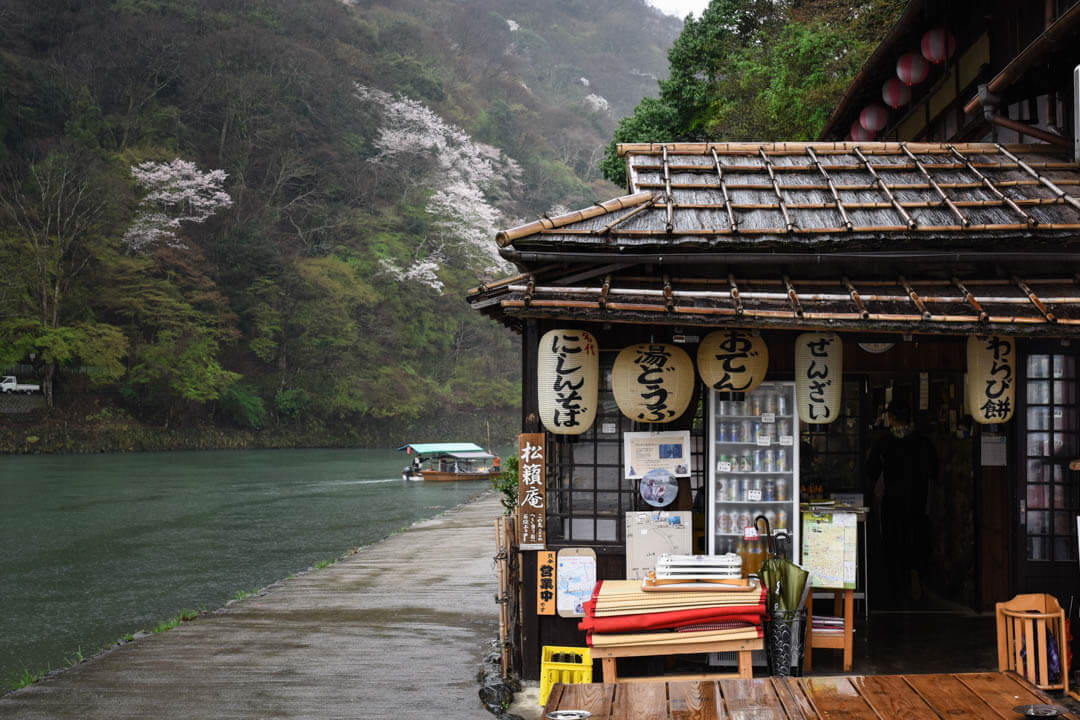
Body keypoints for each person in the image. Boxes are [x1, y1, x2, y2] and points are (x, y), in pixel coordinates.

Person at [864, 398, 937, 603]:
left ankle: (895, 588)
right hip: (918, 501)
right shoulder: (923, 443)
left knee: (892, 542)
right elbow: (934, 473)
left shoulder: (884, 443)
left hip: (892, 502)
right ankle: (915, 579)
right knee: (916, 540)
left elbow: (870, 472)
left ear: (891, 418)